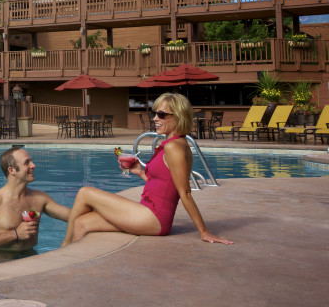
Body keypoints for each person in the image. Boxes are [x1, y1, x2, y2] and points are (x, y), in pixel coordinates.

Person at [62, 92, 233, 247]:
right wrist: (140, 172)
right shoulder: (171, 144)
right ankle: (68, 262)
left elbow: (185, 193)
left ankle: (62, 249)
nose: (155, 119)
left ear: (179, 117)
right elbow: (165, 185)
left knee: (85, 192)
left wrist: (203, 232)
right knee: (81, 223)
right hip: (147, 211)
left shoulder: (174, 148)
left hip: (155, 218)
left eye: (162, 115)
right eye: (155, 113)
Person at [0, 146, 71, 253]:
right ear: (12, 170)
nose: (33, 165)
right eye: (27, 163)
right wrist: (16, 234)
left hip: (30, 256)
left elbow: (71, 216)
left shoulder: (40, 198)